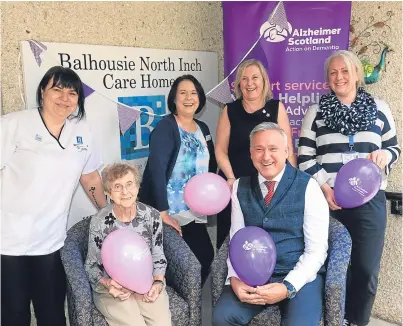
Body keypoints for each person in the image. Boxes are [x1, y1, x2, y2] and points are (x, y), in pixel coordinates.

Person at [298, 50, 400, 326]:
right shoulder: (316, 112)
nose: (339, 77)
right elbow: (304, 156)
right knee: (334, 267)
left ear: (356, 74)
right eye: (333, 72)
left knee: (366, 268)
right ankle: (335, 318)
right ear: (327, 79)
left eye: (345, 71)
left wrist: (385, 156)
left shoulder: (379, 107)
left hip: (370, 201)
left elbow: (394, 147)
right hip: (330, 202)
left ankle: (357, 320)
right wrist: (324, 188)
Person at [1, 66, 107, 326]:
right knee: (15, 316)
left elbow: (90, 177)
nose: (65, 98)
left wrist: (108, 214)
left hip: (51, 242)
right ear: (42, 92)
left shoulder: (81, 131)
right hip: (8, 241)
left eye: (72, 93)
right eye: (57, 89)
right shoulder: (14, 124)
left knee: (53, 315)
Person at [212, 122, 329, 326]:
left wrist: (288, 286)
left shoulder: (308, 186)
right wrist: (234, 279)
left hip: (300, 277)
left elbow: (317, 250)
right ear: (251, 153)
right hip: (252, 276)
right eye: (259, 149)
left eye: (273, 149)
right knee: (222, 317)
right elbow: (236, 239)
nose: (266, 157)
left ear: (286, 151)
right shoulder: (240, 187)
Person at [139, 75, 216, 285]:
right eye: (183, 93)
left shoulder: (203, 129)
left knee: (205, 259)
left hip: (193, 211)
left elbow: (210, 166)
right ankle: (180, 311)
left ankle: (189, 310)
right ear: (173, 98)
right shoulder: (166, 127)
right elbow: (156, 170)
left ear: (199, 98)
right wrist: (163, 213)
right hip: (169, 213)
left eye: (193, 93)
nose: (189, 97)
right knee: (182, 266)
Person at [215, 59, 296, 249]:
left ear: (264, 81)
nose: (250, 83)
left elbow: (288, 150)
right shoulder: (229, 110)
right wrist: (230, 178)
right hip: (235, 187)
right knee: (231, 244)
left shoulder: (277, 108)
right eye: (244, 79)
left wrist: (292, 184)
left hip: (270, 189)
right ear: (238, 84)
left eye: (255, 78)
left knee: (267, 243)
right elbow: (220, 150)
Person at [85, 162, 171, 326]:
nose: (125, 192)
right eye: (117, 186)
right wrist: (108, 284)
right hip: (112, 287)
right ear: (108, 192)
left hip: (147, 279)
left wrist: (158, 282)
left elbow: (158, 255)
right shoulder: (100, 222)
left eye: (129, 184)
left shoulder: (151, 215)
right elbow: (91, 265)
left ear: (138, 187)